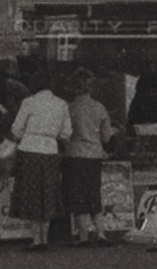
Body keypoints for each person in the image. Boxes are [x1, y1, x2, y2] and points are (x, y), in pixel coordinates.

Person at [8, 70, 71, 250]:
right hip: (50, 150)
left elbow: (16, 129)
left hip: (29, 150)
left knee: (32, 193)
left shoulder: (29, 102)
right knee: (48, 193)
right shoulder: (62, 104)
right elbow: (66, 133)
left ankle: (36, 239)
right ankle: (46, 238)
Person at [63, 67, 115, 245]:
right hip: (94, 155)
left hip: (75, 154)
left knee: (78, 194)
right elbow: (107, 136)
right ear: (91, 87)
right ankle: (101, 234)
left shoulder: (70, 108)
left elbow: (64, 134)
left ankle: (84, 236)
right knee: (94, 193)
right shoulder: (99, 108)